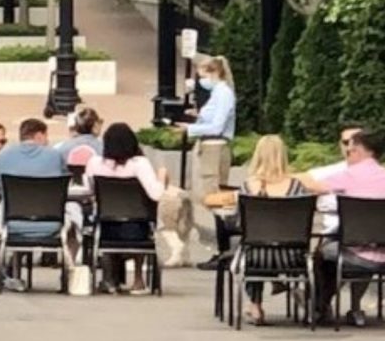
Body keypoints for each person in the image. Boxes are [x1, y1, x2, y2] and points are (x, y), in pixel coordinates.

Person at [301, 129, 385, 326]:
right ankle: (347, 307)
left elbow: (313, 186)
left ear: (360, 151)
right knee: (350, 248)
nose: (348, 154)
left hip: (355, 251)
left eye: (350, 151)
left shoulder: (349, 175)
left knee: (322, 252)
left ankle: (319, 307)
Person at [205, 134, 305, 324]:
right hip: (292, 256)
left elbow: (239, 224)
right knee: (267, 245)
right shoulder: (296, 187)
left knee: (250, 244)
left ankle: (255, 305)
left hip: (256, 256)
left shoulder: (248, 187)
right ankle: (285, 284)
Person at [0, 118, 75, 292]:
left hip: (12, 224)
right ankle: (69, 275)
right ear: (39, 135)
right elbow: (65, 181)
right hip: (53, 224)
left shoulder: (3, 156)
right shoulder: (54, 156)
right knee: (75, 213)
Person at [85, 123, 168, 294]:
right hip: (136, 230)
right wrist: (162, 177)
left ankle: (109, 280)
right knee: (142, 215)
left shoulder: (94, 163)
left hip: (106, 228)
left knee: (105, 218)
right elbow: (156, 194)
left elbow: (89, 191)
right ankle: (138, 278)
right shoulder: (139, 164)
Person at [175, 55, 236, 199]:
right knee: (204, 191)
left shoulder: (224, 94)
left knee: (212, 192)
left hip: (215, 147)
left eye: (203, 76)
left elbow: (217, 127)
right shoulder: (216, 93)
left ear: (214, 73)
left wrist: (190, 129)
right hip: (207, 145)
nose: (202, 81)